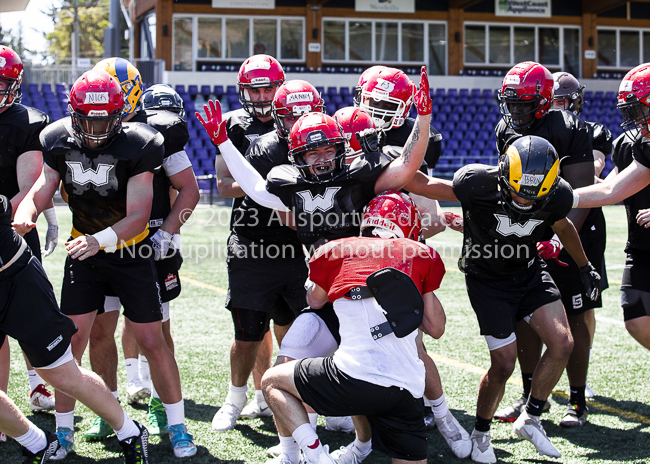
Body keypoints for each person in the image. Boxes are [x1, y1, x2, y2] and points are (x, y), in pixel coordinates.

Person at [13, 69, 196, 459]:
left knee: (151, 340)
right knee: (70, 345)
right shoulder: (56, 138)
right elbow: (42, 188)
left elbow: (137, 213)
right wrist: (27, 210)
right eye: (88, 118)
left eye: (105, 118)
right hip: (86, 252)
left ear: (121, 114)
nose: (95, 128)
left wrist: (98, 241)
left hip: (130, 252)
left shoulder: (141, 143)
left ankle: (177, 425)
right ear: (73, 113)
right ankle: (64, 434)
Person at [423, 135, 600, 461]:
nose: (524, 200)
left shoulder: (558, 195)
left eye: (534, 196)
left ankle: (531, 419)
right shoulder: (477, 183)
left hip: (529, 271)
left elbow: (562, 226)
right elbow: (427, 184)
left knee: (563, 343)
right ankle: (481, 432)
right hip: (487, 281)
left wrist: (585, 266)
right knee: (503, 364)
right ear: (503, 174)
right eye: (518, 191)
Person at [261, 191, 446, 464]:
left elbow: (314, 301)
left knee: (272, 381)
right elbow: (436, 327)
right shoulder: (420, 255)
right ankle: (357, 447)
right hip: (406, 389)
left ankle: (315, 456)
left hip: (350, 380)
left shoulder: (336, 250)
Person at [86, 58, 199, 440]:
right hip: (103, 247)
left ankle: (160, 408)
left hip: (148, 247)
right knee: (101, 332)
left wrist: (168, 232)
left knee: (155, 334)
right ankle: (110, 409)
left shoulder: (160, 131)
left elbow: (189, 188)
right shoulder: (87, 129)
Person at [492, 61, 598, 429]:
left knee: (572, 315)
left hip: (573, 230)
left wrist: (557, 239)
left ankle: (577, 399)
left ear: (544, 100)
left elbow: (580, 195)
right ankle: (529, 394)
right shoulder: (505, 128)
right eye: (512, 103)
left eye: (525, 103)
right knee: (526, 315)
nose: (517, 111)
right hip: (528, 233)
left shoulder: (569, 127)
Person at [7, 192, 149, 463]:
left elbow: (34, 187)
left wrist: (43, 218)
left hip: (13, 279)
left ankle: (130, 431)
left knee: (62, 370)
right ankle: (39, 442)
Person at [210, 57, 310, 432]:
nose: (263, 96)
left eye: (269, 88)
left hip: (295, 242)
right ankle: (238, 398)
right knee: (249, 330)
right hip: (251, 239)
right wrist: (272, 188)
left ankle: (281, 394)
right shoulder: (235, 125)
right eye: (256, 88)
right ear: (243, 90)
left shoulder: (303, 121)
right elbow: (222, 184)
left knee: (295, 327)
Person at [545, 71, 612, 403]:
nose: (556, 106)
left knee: (584, 303)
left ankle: (578, 375)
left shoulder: (591, 132)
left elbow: (595, 168)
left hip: (584, 223)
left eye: (561, 100)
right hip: (546, 221)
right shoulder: (537, 130)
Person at [573, 62, 650, 351]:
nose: (635, 119)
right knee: (636, 317)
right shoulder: (636, 145)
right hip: (641, 246)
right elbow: (610, 188)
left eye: (639, 109)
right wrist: (563, 194)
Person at [0, 45, 58, 425]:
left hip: (12, 229)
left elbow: (30, 186)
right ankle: (2, 408)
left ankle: (38, 382)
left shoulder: (26, 122)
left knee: (29, 316)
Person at [355, 65, 446, 237]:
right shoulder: (345, 126)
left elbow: (434, 220)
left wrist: (396, 239)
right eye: (374, 102)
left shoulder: (416, 136)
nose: (379, 111)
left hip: (396, 233)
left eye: (389, 105)